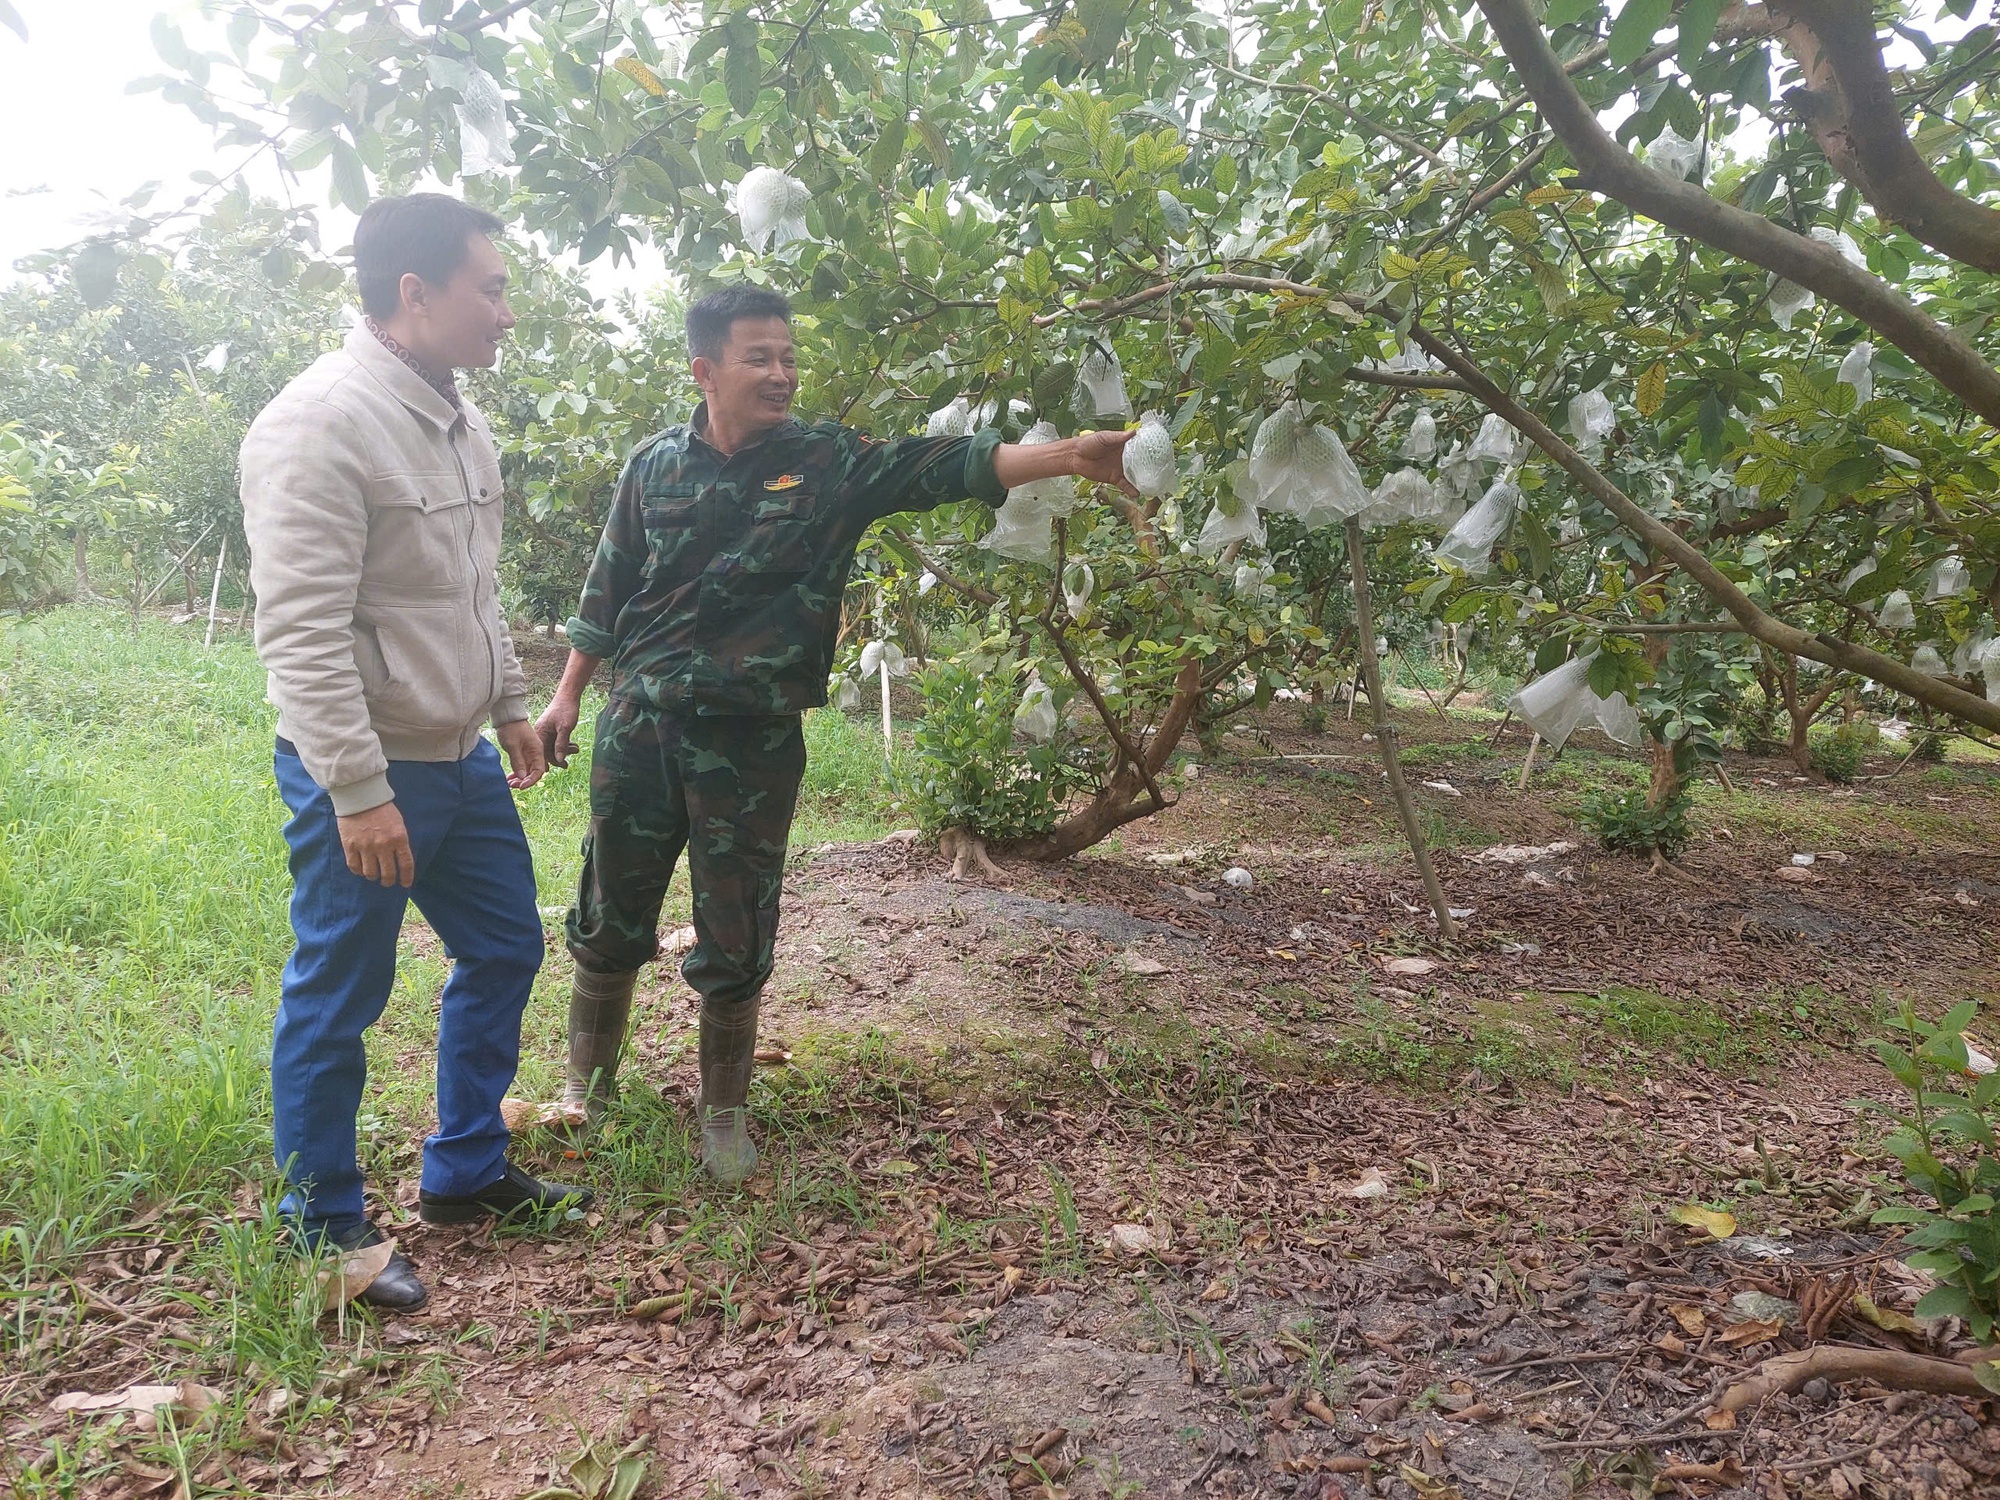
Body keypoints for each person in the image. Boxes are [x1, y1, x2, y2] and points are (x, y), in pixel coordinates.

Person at [535, 285, 1134, 1182]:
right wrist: (568, 695)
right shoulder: (651, 467)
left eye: (788, 357)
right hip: (642, 725)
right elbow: (606, 587)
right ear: (706, 370)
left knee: (736, 926)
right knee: (610, 905)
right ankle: (587, 1084)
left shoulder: (826, 463)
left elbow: (945, 465)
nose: (781, 375)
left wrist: (1069, 456)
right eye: (759, 358)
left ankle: (724, 1116)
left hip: (752, 738)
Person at [241, 193, 589, 1312]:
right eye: (489, 289)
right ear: (415, 294)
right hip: (368, 768)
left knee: (503, 947)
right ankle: (321, 1224)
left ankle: (466, 1171)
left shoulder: (457, 417)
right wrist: (355, 788)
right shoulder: (319, 424)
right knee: (339, 992)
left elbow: (472, 595)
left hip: (458, 757)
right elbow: (298, 630)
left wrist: (510, 707)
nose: (506, 311)